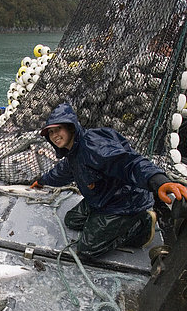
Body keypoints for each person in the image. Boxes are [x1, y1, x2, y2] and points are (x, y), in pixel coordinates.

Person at [31, 102, 187, 259]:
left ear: (71, 127)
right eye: (51, 132)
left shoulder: (94, 146)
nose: (55, 135)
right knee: (72, 220)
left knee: (87, 250)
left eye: (58, 129)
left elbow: (129, 164)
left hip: (123, 202)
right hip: (101, 197)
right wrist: (42, 181)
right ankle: (106, 224)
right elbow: (61, 172)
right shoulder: (72, 152)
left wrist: (159, 181)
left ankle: (142, 226)